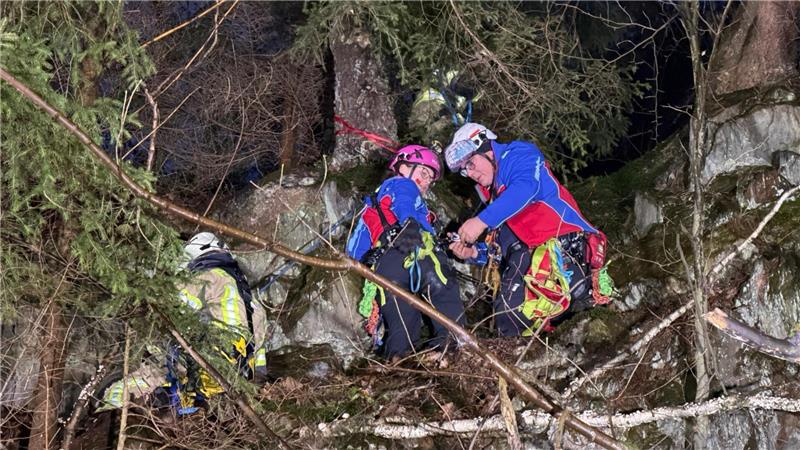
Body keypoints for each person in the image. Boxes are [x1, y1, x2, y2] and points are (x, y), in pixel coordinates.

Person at [445, 123, 610, 336]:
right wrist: (473, 253)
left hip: (563, 245)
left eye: (471, 163)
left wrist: (480, 221)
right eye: (465, 170)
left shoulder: (518, 155)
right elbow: (502, 247)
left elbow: (526, 189)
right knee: (510, 309)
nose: (470, 172)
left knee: (515, 309)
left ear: (486, 148)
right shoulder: (496, 201)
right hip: (530, 261)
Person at [98, 233, 268, 413]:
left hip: (206, 368)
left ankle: (107, 416)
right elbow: (260, 363)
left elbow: (168, 305)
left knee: (118, 390)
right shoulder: (255, 306)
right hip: (234, 381)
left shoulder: (207, 277)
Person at [347, 145, 465, 360]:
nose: (427, 180)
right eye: (424, 172)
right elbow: (404, 199)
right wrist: (410, 223)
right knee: (443, 291)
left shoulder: (370, 207)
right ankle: (450, 350)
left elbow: (354, 249)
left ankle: (398, 361)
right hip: (417, 251)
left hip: (385, 264)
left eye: (430, 177)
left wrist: (365, 261)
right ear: (404, 167)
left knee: (402, 319)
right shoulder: (401, 184)